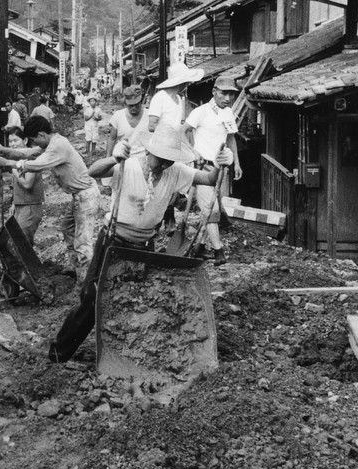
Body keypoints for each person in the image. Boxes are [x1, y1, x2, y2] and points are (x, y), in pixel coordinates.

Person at [48, 125, 232, 361]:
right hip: (114, 241)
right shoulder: (129, 165)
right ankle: (59, 353)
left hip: (144, 246)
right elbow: (91, 172)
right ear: (148, 151)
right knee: (92, 296)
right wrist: (114, 158)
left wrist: (220, 163)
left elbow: (209, 179)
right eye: (160, 159)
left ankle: (124, 355)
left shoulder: (175, 171)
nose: (163, 164)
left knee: (138, 300)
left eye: (169, 160)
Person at [0, 114, 103, 281]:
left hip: (86, 196)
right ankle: (77, 269)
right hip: (78, 195)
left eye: (34, 139)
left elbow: (36, 165)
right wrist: (5, 150)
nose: (34, 144)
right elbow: (29, 152)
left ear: (41, 134)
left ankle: (86, 285)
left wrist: (9, 163)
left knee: (83, 243)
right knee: (67, 229)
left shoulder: (58, 146)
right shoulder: (51, 143)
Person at [182, 77, 245, 265]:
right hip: (203, 169)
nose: (228, 98)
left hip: (220, 169)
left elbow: (231, 138)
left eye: (231, 94)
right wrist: (193, 152)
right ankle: (219, 251)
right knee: (212, 209)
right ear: (214, 91)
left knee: (211, 208)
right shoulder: (200, 112)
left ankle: (201, 247)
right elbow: (182, 131)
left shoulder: (228, 113)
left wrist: (237, 163)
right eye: (224, 93)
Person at [6, 127, 44, 243]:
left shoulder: (31, 157)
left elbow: (28, 184)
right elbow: (17, 184)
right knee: (18, 243)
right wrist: (14, 203)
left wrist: (13, 169)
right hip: (21, 205)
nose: (12, 144)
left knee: (24, 244)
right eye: (10, 141)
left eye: (15, 140)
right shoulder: (18, 158)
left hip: (30, 206)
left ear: (25, 140)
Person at [147, 62, 204, 133]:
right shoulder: (160, 97)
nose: (187, 85)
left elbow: (176, 124)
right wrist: (168, 133)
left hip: (175, 139)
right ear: (182, 82)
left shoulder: (178, 99)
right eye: (187, 82)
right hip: (161, 138)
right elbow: (151, 126)